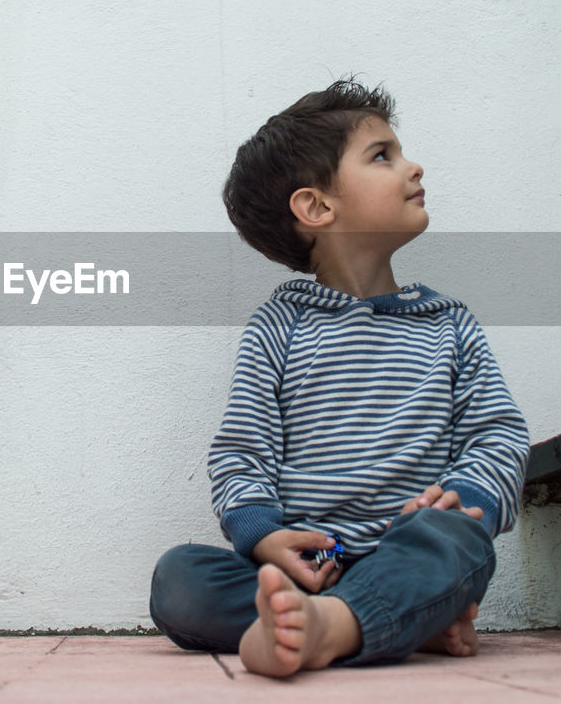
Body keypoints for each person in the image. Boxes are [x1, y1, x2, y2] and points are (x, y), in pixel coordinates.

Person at [149, 78, 529, 678]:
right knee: (179, 579)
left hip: (408, 543)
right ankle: (395, 623)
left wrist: (468, 501)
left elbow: (497, 437)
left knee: (458, 543)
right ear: (318, 207)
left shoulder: (449, 325)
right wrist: (267, 539)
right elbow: (241, 453)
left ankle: (335, 624)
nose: (412, 167)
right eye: (383, 156)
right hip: (315, 555)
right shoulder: (279, 327)